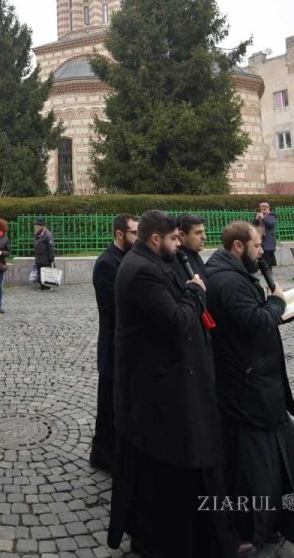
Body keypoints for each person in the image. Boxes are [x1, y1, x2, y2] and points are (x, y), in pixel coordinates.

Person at [107, 211, 235, 557]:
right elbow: (176, 320)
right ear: (155, 239)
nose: (179, 245)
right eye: (175, 239)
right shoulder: (142, 270)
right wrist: (195, 292)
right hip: (156, 389)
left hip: (163, 383)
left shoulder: (152, 261)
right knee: (161, 473)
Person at [206, 220, 294, 549]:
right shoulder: (227, 281)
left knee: (284, 455)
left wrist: (278, 313)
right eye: (257, 246)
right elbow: (255, 321)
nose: (261, 252)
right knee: (260, 466)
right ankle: (264, 522)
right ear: (238, 246)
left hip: (260, 381)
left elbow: (249, 321)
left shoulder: (233, 274)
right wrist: (278, 303)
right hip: (249, 385)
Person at [89, 213, 136, 472]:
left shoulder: (128, 257)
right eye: (133, 233)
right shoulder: (106, 263)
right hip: (112, 345)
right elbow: (116, 308)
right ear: (119, 234)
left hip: (126, 344)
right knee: (108, 403)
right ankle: (102, 455)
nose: (138, 238)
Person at [177, 214, 209, 281]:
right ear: (182, 235)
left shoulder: (194, 254)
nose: (204, 237)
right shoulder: (178, 261)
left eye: (203, 232)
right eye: (198, 233)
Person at [33, 218, 56, 290]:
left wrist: (51, 257)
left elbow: (51, 246)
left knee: (46, 271)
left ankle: (47, 286)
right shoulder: (37, 233)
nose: (36, 227)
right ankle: (42, 286)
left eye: (37, 226)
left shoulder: (48, 234)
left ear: (42, 226)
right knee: (40, 271)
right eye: (35, 226)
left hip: (46, 257)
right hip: (39, 257)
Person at [253, 202, 278, 266]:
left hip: (268, 240)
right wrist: (256, 219)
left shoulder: (272, 216)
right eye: (261, 209)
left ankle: (268, 269)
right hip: (260, 240)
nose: (262, 211)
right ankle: (264, 269)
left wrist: (263, 218)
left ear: (268, 208)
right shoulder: (259, 216)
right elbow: (254, 226)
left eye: (264, 209)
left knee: (268, 258)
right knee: (261, 258)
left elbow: (271, 225)